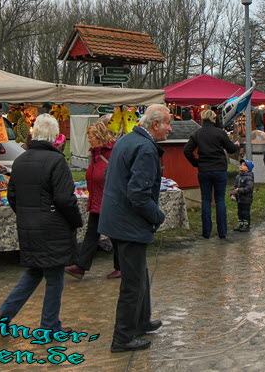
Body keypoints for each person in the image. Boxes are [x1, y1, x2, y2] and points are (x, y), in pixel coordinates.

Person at [0, 114, 82, 331]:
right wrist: (75, 220)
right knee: (54, 277)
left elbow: (12, 196)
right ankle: (49, 326)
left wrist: (26, 215)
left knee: (34, 271)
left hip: (29, 227)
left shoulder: (20, 160)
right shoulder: (57, 161)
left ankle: (5, 313)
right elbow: (64, 198)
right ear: (55, 135)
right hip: (53, 227)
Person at [99, 104, 169, 352]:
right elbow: (138, 194)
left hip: (118, 219)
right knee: (133, 282)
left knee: (139, 275)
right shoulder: (146, 148)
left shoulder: (128, 139)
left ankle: (141, 321)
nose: (170, 129)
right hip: (128, 222)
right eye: (168, 124)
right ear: (155, 125)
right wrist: (157, 215)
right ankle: (123, 338)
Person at [65, 121, 121, 280]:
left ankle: (120, 267)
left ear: (100, 136)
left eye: (92, 137)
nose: (89, 140)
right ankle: (80, 267)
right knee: (92, 234)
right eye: (88, 136)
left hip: (110, 202)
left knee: (115, 236)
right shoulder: (95, 155)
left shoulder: (112, 154)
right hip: (98, 201)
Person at [184, 109, 239, 239]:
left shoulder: (197, 133)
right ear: (214, 119)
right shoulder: (220, 133)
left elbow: (187, 151)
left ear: (202, 119)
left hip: (204, 170)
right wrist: (236, 145)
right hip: (219, 169)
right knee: (220, 200)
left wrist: (196, 163)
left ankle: (206, 232)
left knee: (206, 200)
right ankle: (222, 232)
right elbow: (231, 149)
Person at [231, 159, 255, 232]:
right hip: (239, 199)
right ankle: (241, 224)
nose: (241, 166)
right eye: (241, 164)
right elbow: (234, 186)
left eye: (244, 165)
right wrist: (233, 194)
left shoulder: (249, 177)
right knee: (240, 212)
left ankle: (246, 225)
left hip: (246, 199)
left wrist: (239, 190)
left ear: (248, 169)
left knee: (245, 212)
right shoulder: (238, 177)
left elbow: (249, 188)